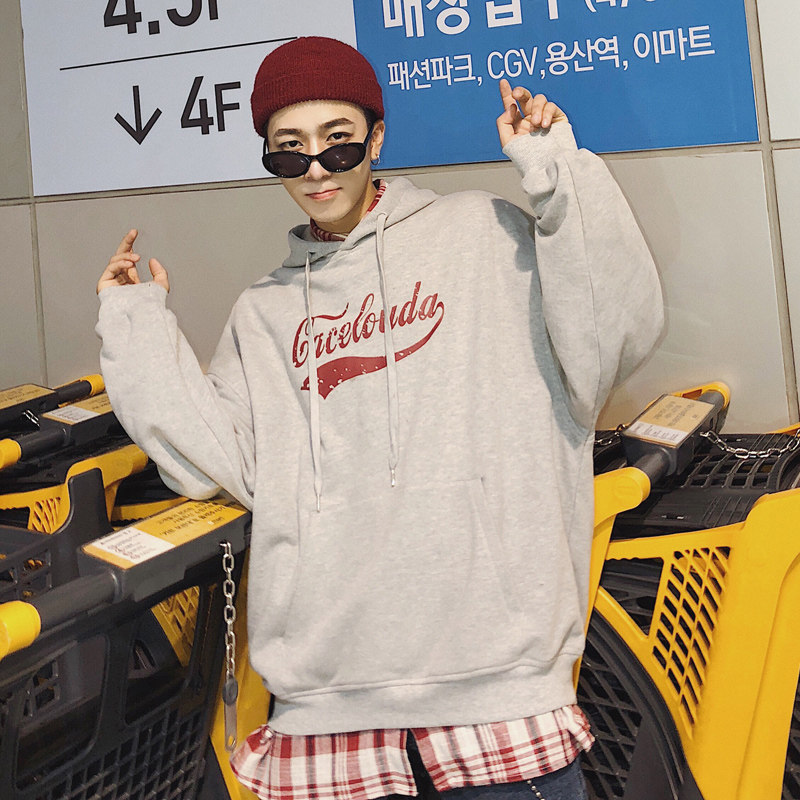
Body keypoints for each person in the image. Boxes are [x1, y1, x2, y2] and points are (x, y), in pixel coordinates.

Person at [96, 36, 663, 800]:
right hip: (330, 716)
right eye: (289, 150)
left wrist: (559, 179)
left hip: (501, 703)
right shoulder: (264, 313)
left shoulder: (484, 235)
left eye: (338, 141)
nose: (317, 169)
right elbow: (209, 461)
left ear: (377, 137)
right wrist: (134, 329)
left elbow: (608, 337)